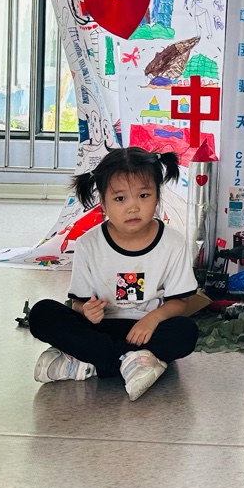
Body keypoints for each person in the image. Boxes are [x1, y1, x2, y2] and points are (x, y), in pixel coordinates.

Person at [27, 147, 204, 401]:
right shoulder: (89, 243)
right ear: (103, 203)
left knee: (185, 332)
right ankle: (128, 362)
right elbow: (79, 303)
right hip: (99, 329)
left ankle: (88, 360)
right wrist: (87, 310)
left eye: (144, 195)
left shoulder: (173, 242)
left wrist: (153, 319)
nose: (133, 207)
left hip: (146, 330)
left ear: (157, 196)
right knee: (42, 313)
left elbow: (180, 302)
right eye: (120, 199)